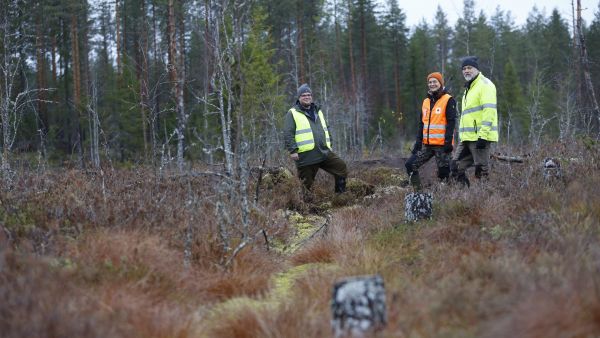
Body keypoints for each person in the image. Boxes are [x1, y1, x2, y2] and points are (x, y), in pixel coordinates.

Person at [283, 84, 348, 198]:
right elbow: (288, 133)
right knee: (306, 186)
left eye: (309, 95)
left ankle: (340, 197)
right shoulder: (292, 113)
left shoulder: (318, 111)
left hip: (323, 152)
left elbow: (326, 128)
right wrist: (293, 150)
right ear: (299, 97)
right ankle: (308, 210)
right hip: (306, 156)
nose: (307, 97)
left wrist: (329, 143)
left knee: (341, 168)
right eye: (303, 95)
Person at [405, 72, 456, 189]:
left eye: (435, 82)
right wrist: (418, 143)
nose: (432, 84)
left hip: (442, 146)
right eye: (430, 82)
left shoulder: (448, 100)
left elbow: (451, 122)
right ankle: (418, 193)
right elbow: (422, 123)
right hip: (426, 146)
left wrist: (448, 143)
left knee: (444, 175)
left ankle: (449, 199)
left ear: (440, 83)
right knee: (410, 165)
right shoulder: (425, 102)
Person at [453, 56, 498, 186]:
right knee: (455, 167)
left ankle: (486, 202)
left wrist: (483, 136)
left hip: (480, 138)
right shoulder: (469, 88)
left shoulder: (485, 85)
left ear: (476, 69)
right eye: (464, 68)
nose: (466, 71)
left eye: (469, 68)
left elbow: (489, 111)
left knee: (481, 173)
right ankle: (466, 198)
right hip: (466, 139)